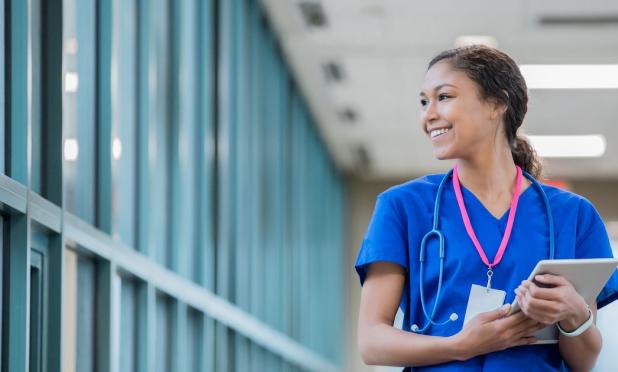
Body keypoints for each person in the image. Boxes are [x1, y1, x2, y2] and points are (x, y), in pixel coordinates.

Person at [355, 45, 618, 371]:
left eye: (444, 97)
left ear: (497, 103)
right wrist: (460, 346)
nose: (429, 115)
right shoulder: (402, 207)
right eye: (424, 102)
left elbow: (585, 360)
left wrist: (573, 314)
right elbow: (371, 342)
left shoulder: (573, 216)